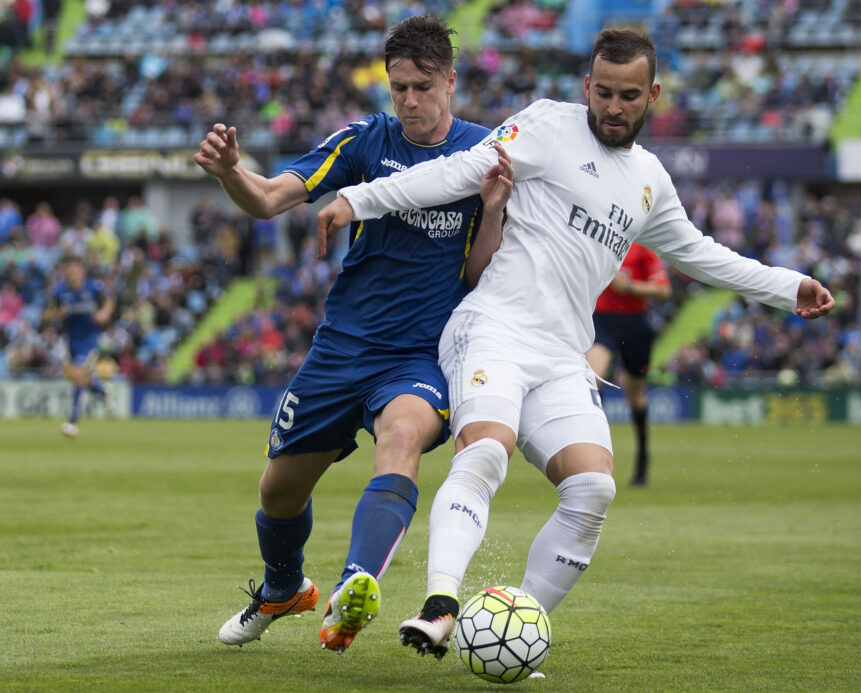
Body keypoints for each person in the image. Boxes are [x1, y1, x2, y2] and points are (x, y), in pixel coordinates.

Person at [315, 28, 834, 658]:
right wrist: (357, 198)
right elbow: (456, 173)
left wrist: (789, 286)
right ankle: (441, 606)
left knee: (594, 489)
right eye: (604, 92)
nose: (613, 107)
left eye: (629, 96)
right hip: (493, 329)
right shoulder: (545, 128)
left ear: (653, 96)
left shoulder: (649, 180)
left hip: (563, 356)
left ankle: (514, 631)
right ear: (588, 86)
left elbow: (700, 255)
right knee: (487, 453)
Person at [193, 16, 511, 653]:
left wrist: (496, 209)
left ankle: (352, 587)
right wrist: (231, 172)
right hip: (341, 349)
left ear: (451, 80)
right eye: (398, 88)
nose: (410, 100)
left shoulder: (484, 153)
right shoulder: (366, 141)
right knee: (278, 494)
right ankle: (284, 587)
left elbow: (479, 275)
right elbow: (268, 198)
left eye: (422, 86)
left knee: (400, 438)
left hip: (419, 355)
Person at [585, 243, 671, 487]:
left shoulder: (643, 249)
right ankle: (592, 460)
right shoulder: (600, 240)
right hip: (602, 321)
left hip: (635, 324)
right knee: (592, 382)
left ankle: (643, 459)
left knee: (636, 397)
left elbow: (664, 290)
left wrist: (630, 287)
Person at [44, 256, 114, 437]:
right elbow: (46, 314)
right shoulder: (59, 292)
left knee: (77, 374)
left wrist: (104, 313)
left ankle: (72, 422)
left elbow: (109, 300)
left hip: (90, 340)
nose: (72, 274)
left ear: (82, 272)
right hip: (71, 342)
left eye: (75, 270)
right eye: (68, 271)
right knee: (80, 377)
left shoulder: (93, 288)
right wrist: (55, 314)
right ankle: (101, 390)